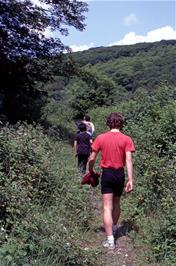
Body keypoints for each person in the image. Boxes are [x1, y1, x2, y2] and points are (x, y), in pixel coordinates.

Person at [88, 112, 135, 250]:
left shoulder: (101, 138)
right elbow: (129, 160)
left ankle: (110, 241)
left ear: (108, 123)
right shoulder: (127, 139)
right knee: (116, 203)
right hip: (119, 174)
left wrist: (90, 170)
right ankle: (113, 229)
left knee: (107, 206)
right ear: (121, 124)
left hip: (107, 174)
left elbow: (91, 158)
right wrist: (130, 179)